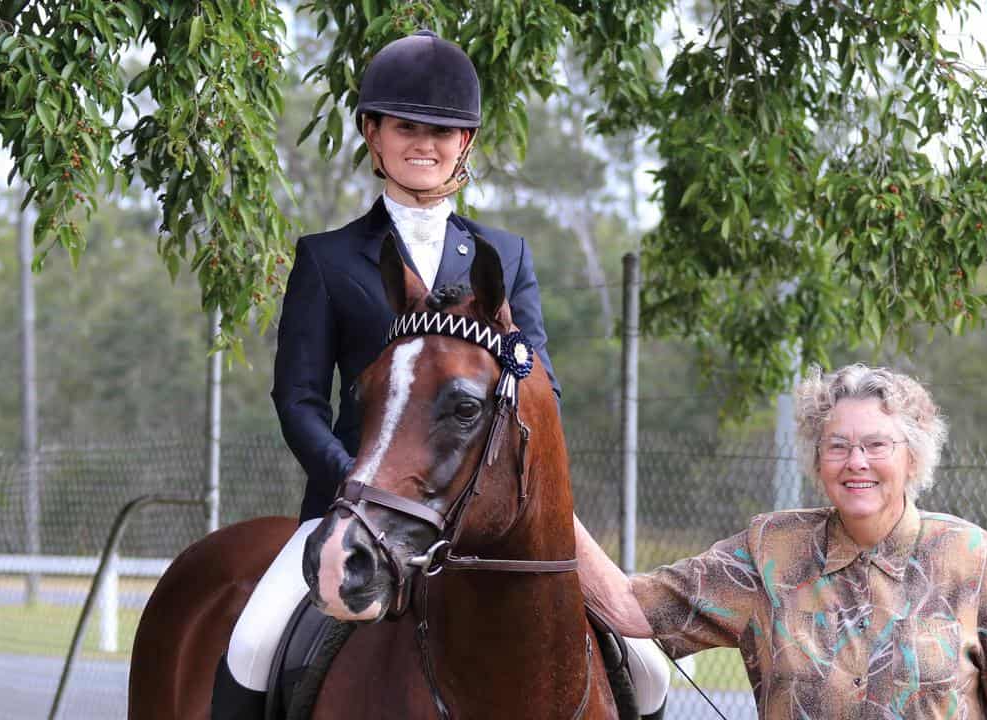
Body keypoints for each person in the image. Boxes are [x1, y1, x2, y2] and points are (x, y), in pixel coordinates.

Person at [211, 30, 669, 719]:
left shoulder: (504, 256)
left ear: (467, 143)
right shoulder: (328, 260)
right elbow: (299, 398)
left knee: (648, 663)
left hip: (491, 497)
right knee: (253, 643)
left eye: (443, 130)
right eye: (405, 127)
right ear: (372, 132)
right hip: (361, 504)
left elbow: (539, 381)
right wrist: (355, 483)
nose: (423, 143)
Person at [576, 363, 987, 719]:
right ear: (816, 458)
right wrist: (538, 493)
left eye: (876, 445)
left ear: (914, 458)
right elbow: (627, 607)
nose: (856, 461)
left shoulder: (971, 557)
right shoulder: (770, 552)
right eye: (838, 446)